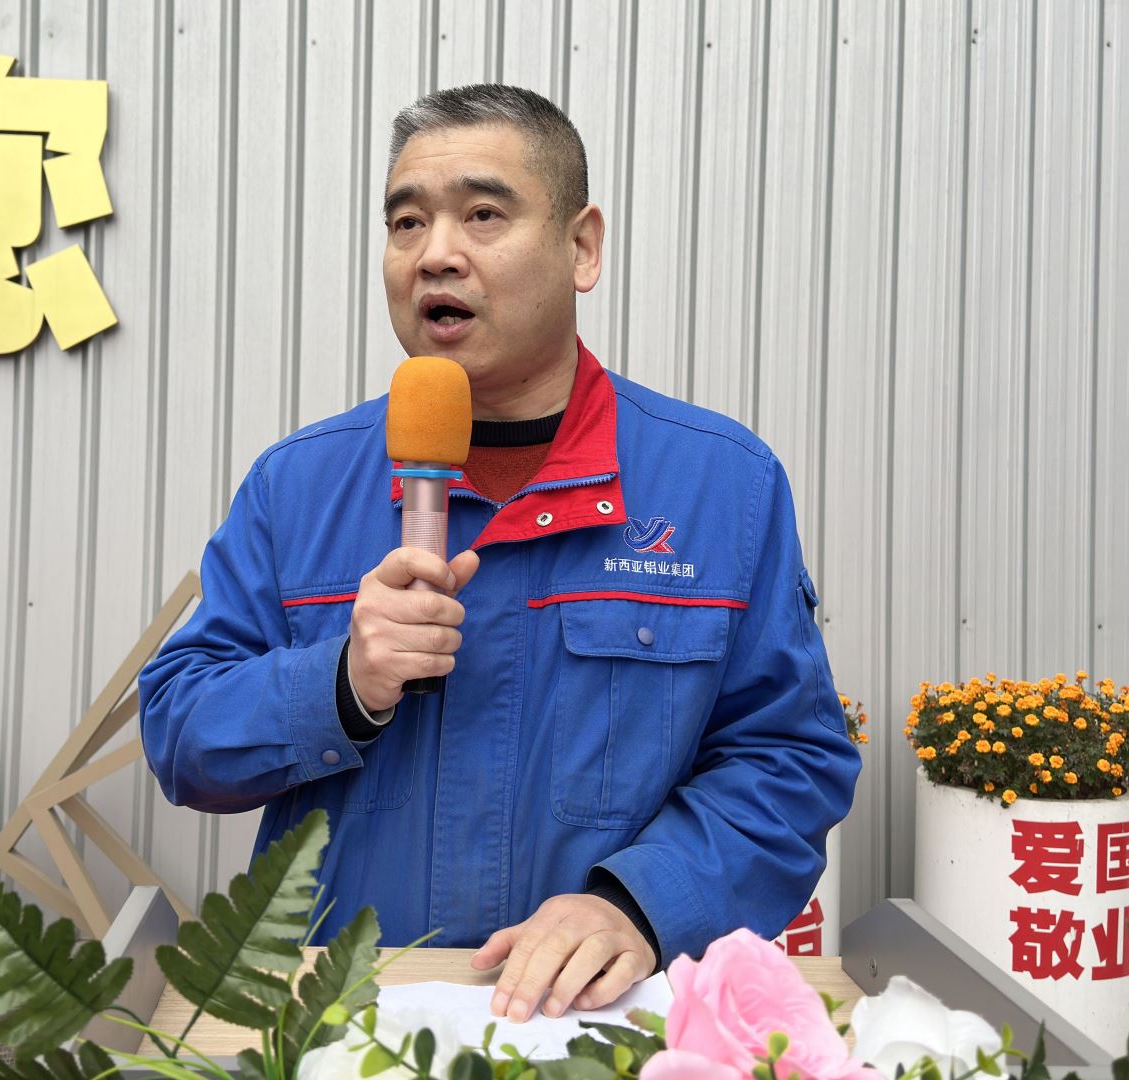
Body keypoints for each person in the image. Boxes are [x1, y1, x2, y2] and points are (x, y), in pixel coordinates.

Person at [139, 83, 859, 1026]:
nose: (436, 253)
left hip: (605, 1019)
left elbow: (789, 757)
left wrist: (639, 904)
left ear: (582, 246)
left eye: (483, 214)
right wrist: (342, 683)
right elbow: (180, 734)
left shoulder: (722, 485)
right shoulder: (299, 485)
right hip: (350, 1018)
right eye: (407, 222)